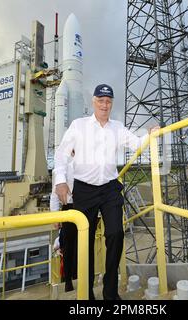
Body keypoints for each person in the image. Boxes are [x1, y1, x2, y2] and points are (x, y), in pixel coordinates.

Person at [54, 84, 159, 300]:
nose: (104, 104)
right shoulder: (79, 125)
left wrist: (150, 135)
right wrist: (61, 182)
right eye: (100, 100)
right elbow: (62, 154)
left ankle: (110, 291)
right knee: (87, 240)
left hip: (110, 187)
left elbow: (137, 144)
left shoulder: (117, 128)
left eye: (108, 101)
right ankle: (87, 292)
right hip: (84, 189)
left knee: (116, 234)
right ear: (93, 102)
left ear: (111, 103)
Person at [50, 151, 77, 292]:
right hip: (69, 208)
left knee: (84, 245)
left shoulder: (86, 161)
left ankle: (78, 275)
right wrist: (55, 216)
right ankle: (68, 281)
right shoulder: (60, 168)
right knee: (68, 246)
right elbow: (54, 195)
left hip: (85, 206)